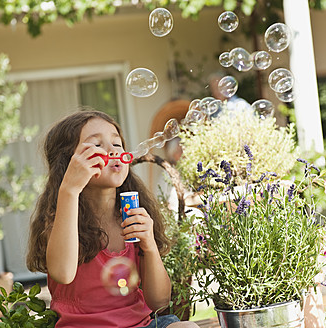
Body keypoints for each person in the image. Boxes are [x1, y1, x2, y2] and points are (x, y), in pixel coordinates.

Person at [26, 110, 199, 328]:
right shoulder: (61, 218)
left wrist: (150, 246)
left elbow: (159, 302)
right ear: (70, 164)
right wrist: (69, 189)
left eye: (117, 144)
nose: (112, 151)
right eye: (96, 145)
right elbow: (62, 273)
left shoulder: (131, 214)